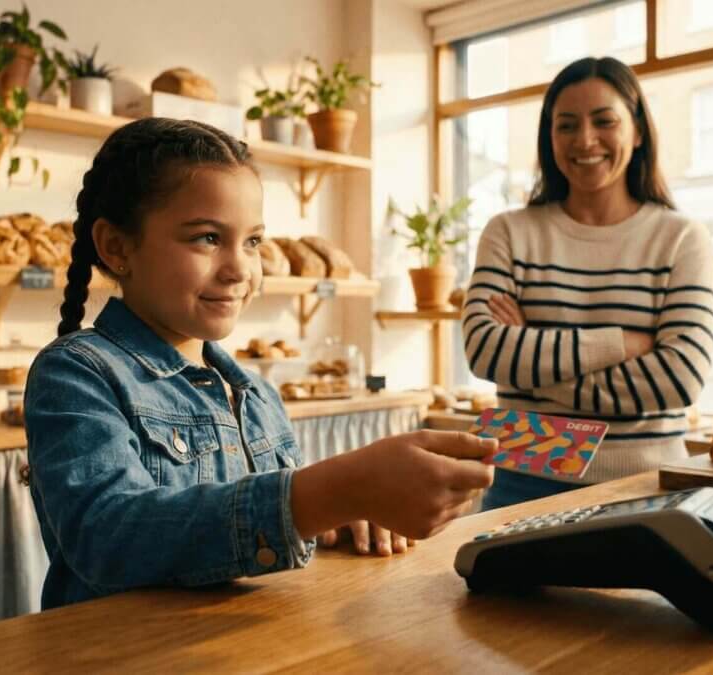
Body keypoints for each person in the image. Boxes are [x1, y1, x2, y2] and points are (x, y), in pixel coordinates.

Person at [25, 118, 495, 609]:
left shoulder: (255, 393)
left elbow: (256, 533)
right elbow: (107, 539)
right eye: (207, 238)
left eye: (251, 242)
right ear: (117, 247)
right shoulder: (76, 373)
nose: (238, 269)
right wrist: (325, 494)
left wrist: (342, 514)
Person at [462, 57, 713, 510]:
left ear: (637, 131)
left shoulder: (681, 238)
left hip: (645, 487)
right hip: (520, 478)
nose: (585, 140)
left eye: (604, 121)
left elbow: (679, 379)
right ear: (549, 137)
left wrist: (531, 360)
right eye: (566, 125)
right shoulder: (509, 232)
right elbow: (485, 351)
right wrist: (622, 343)